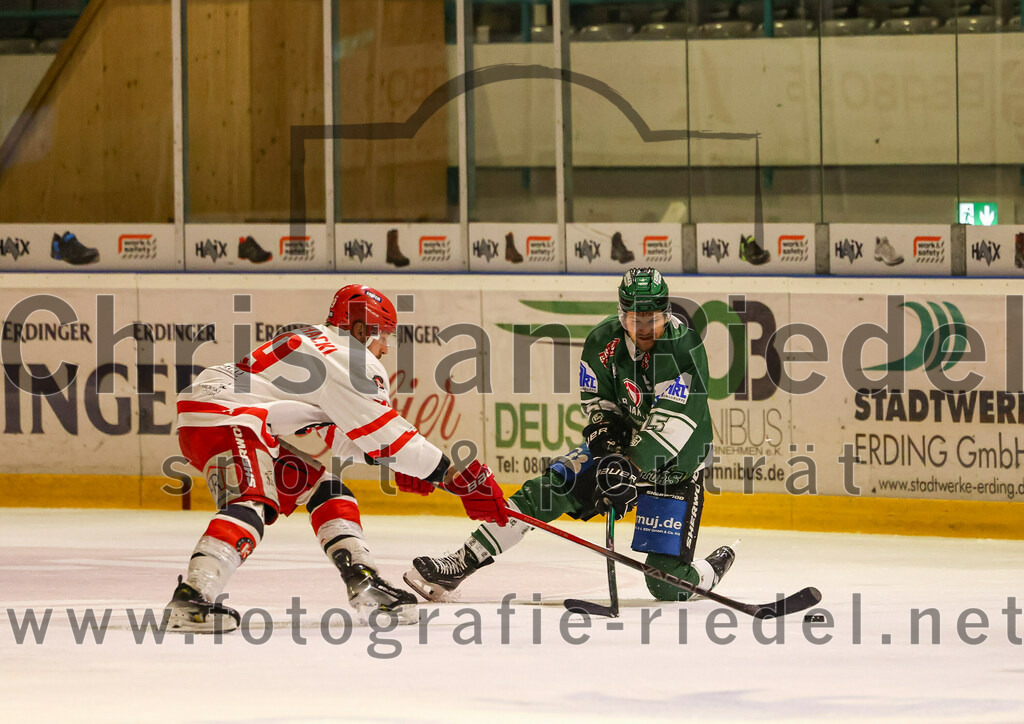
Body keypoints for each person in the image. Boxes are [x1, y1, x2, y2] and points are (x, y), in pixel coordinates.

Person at [164, 284, 507, 632]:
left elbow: (341, 434)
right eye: (384, 336)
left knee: (326, 490)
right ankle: (192, 598)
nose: (386, 348)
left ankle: (365, 583)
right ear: (361, 329)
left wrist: (392, 461)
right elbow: (386, 436)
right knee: (251, 504)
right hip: (227, 417)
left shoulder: (321, 343)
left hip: (225, 415)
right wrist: (451, 478)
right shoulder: (350, 358)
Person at [404, 268, 733, 603]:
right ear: (623, 314)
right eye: (636, 319)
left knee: (666, 585)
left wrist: (629, 465)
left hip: (675, 466)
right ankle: (460, 563)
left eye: (652, 319)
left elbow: (674, 423)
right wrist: (605, 436)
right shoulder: (603, 341)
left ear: (666, 313)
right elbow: (598, 400)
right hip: (624, 450)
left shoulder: (684, 349)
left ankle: (710, 570)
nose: (645, 328)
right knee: (548, 489)